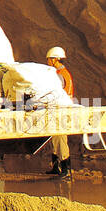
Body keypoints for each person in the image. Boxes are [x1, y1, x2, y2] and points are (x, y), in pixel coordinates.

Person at [45, 46, 74, 176]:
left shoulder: (60, 75)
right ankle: (57, 167)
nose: (48, 62)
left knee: (60, 139)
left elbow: (55, 92)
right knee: (55, 138)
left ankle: (66, 169)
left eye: (49, 59)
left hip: (61, 109)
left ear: (55, 59)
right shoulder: (61, 73)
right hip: (59, 108)